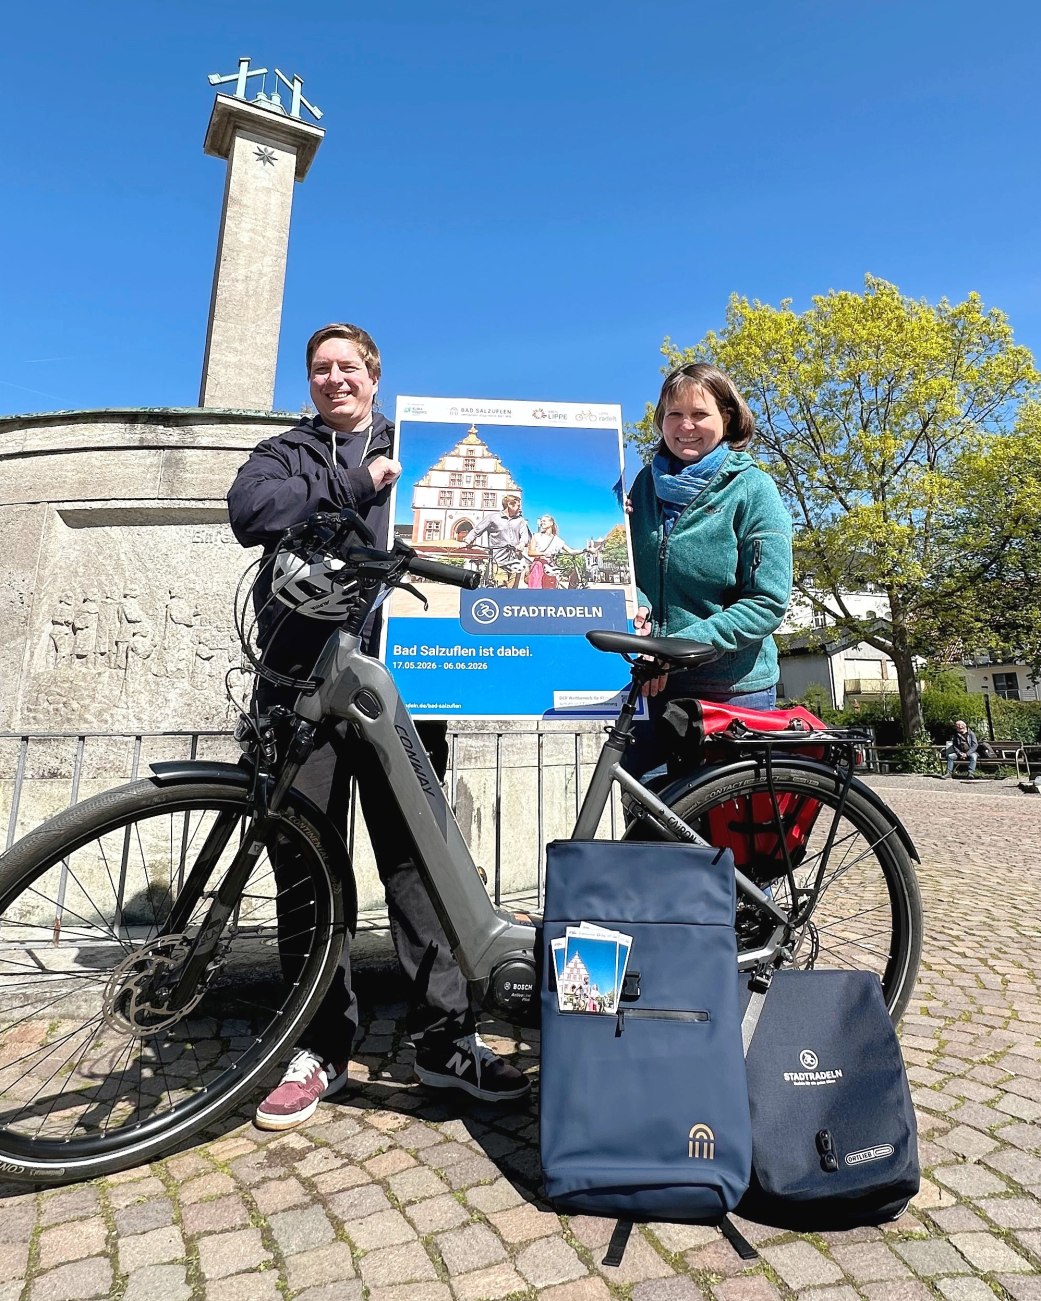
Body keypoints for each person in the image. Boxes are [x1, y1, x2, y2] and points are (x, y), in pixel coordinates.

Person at [227, 322, 529, 1130]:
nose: (335, 379)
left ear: (375, 375)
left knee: (417, 859)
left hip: (405, 687)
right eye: (321, 368)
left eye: (349, 367)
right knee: (305, 863)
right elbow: (252, 511)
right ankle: (318, 1043)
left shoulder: (420, 443)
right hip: (301, 687)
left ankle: (445, 1037)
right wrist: (358, 484)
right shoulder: (288, 452)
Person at [624, 361, 793, 779]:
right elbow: (627, 571)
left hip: (730, 690)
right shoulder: (642, 485)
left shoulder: (754, 489)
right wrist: (637, 606)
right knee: (647, 817)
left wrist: (678, 647)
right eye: (674, 415)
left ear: (728, 418)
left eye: (700, 414)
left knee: (725, 829)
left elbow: (767, 602)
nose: (686, 426)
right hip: (649, 683)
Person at [462, 494, 532, 587]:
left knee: (513, 593)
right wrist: (467, 541)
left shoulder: (520, 520)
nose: (520, 508)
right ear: (510, 505)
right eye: (518, 506)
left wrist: (522, 544)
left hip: (515, 562)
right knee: (499, 590)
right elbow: (476, 531)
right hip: (498, 562)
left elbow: (524, 536)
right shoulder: (492, 518)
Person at [526, 515, 581, 589]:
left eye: (544, 521)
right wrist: (543, 553)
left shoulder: (557, 540)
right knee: (535, 591)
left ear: (551, 523)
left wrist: (585, 550)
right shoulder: (536, 536)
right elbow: (530, 552)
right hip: (538, 566)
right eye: (541, 521)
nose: (542, 522)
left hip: (550, 568)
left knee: (549, 592)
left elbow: (571, 551)